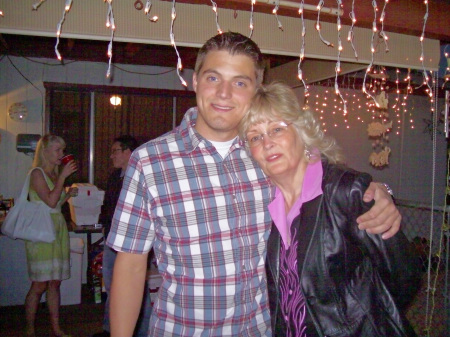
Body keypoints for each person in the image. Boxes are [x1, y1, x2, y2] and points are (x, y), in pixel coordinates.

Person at [106, 32, 401, 337]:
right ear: (195, 81)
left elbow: (326, 178)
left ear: (256, 90)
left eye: (239, 83)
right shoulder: (150, 162)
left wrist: (378, 194)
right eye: (212, 78)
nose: (224, 93)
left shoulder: (266, 153)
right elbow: (130, 265)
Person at [239, 82, 421, 336]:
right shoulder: (269, 204)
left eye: (277, 129)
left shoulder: (344, 191)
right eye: (255, 137)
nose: (267, 142)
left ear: (302, 132)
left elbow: (406, 275)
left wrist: (362, 321)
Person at [92, 135, 152, 337]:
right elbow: (108, 207)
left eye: (115, 151)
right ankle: (111, 329)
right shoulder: (115, 177)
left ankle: (143, 331)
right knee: (112, 287)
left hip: (131, 242)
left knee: (133, 288)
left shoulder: (139, 177)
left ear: (128, 152)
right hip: (112, 238)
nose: (111, 156)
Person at [25, 134, 78, 337]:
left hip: (56, 229)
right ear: (45, 152)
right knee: (39, 284)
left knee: (55, 282)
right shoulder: (36, 173)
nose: (62, 154)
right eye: (58, 150)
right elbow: (48, 201)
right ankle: (30, 328)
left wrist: (67, 195)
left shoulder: (54, 174)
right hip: (41, 233)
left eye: (63, 150)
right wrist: (63, 177)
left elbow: (55, 203)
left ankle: (56, 328)